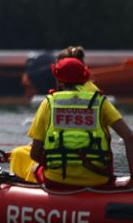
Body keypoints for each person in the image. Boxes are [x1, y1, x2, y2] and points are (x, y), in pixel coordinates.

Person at [9, 56, 133, 186]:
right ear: (85, 78)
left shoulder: (49, 103)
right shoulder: (100, 102)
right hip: (97, 178)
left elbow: (35, 154)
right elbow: (129, 137)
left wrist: (56, 165)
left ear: (58, 79)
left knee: (31, 165)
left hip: (56, 178)